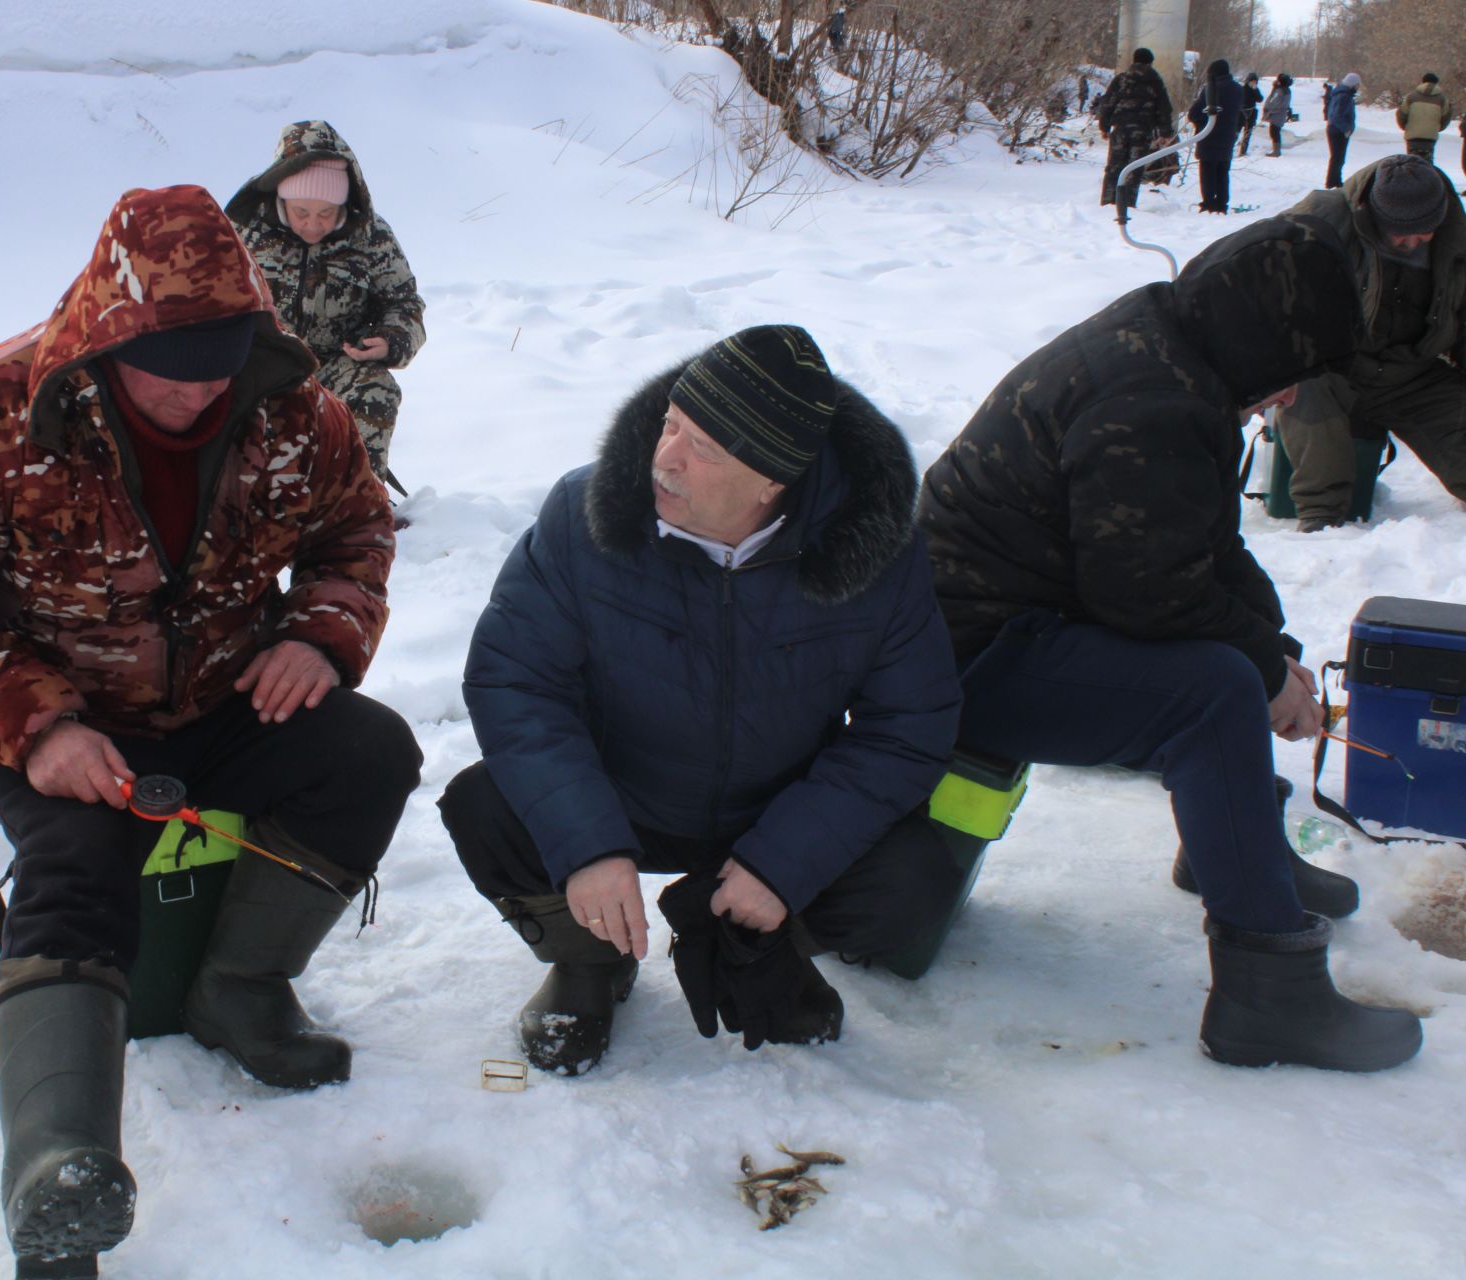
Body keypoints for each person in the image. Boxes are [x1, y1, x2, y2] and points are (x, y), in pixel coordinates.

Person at [0, 184, 422, 1274]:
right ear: (105, 335)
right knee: (75, 864)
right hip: (68, 713)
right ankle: (58, 1170)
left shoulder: (296, 406)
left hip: (225, 692)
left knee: (369, 754)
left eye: (220, 358)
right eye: (169, 363)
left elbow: (356, 529)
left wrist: (318, 632)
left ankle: (239, 988)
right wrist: (35, 724)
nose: (197, 387)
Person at [918, 215, 1422, 1074]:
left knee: (1236, 661)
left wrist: (1278, 651)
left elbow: (1197, 541)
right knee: (1212, 689)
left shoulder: (1170, 344)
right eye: (1293, 375)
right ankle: (1269, 995)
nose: (1292, 401)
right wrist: (1262, 673)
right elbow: (1148, 596)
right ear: (1264, 341)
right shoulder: (1154, 399)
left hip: (1021, 619)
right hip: (967, 662)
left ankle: (1239, 849)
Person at [439, 325, 963, 1075]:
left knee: (911, 879)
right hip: (626, 798)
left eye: (704, 448)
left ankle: (750, 938)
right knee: (488, 808)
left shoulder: (873, 549)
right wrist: (588, 843)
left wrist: (784, 862)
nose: (666, 458)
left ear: (773, 482)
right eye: (672, 425)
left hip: (773, 807)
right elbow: (517, 679)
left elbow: (907, 728)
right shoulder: (584, 516)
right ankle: (590, 962)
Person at [227, 120, 426, 490]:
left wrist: (391, 339)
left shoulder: (370, 235)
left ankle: (358, 503)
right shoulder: (243, 232)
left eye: (326, 214)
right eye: (302, 212)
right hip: (256, 366)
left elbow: (403, 302)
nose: (313, 226)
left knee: (376, 389)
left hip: (333, 366)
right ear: (280, 197)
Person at [1274, 155, 1466, 531]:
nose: (1409, 241)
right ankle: (1321, 519)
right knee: (1303, 384)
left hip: (1410, 375)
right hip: (1330, 366)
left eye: (1423, 232)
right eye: (1397, 231)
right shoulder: (1322, 216)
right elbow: (1255, 279)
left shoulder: (1458, 242)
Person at [1098, 48, 1176, 223]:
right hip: (1143, 130)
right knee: (1134, 167)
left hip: (1120, 128)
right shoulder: (1155, 81)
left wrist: (1104, 126)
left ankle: (1107, 202)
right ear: (1150, 62)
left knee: (1114, 166)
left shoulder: (1122, 79)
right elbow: (1165, 108)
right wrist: (1165, 132)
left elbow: (1107, 103)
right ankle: (1127, 204)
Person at [1189, 58, 1246, 213]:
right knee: (1223, 171)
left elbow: (1194, 114)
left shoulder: (1210, 89)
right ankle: (1221, 204)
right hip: (1227, 137)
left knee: (1207, 171)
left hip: (1209, 136)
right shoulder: (1238, 90)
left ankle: (1208, 203)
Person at [1397, 72, 1452, 160]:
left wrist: (1405, 127)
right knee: (1427, 163)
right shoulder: (1442, 99)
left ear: (1423, 82)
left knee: (1411, 163)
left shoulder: (1411, 97)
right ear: (1436, 83)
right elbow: (1446, 118)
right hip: (1430, 136)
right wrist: (1437, 128)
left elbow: (1401, 114)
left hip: (1412, 136)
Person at [1326, 71, 1361, 188]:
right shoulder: (1343, 96)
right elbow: (1336, 116)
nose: (1358, 88)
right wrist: (1346, 128)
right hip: (1338, 131)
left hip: (1337, 129)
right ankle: (1332, 183)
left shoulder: (1343, 94)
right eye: (1357, 85)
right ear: (1352, 84)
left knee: (1338, 158)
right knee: (1337, 158)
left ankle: (1336, 181)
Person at [1265, 72, 1295, 156]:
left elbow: (1274, 102)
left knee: (1274, 132)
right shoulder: (1287, 90)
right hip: (1281, 113)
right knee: (1275, 131)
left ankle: (1276, 151)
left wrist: (1269, 111)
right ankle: (1276, 150)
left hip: (1277, 114)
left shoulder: (1280, 91)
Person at [1238, 71, 1264, 158]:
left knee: (1248, 133)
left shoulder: (1255, 90)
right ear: (1248, 81)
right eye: (1252, 81)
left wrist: (1255, 90)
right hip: (1241, 113)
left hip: (1251, 113)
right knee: (1236, 131)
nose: (1253, 83)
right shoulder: (1242, 88)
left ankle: (1243, 151)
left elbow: (1260, 99)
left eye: (1255, 81)